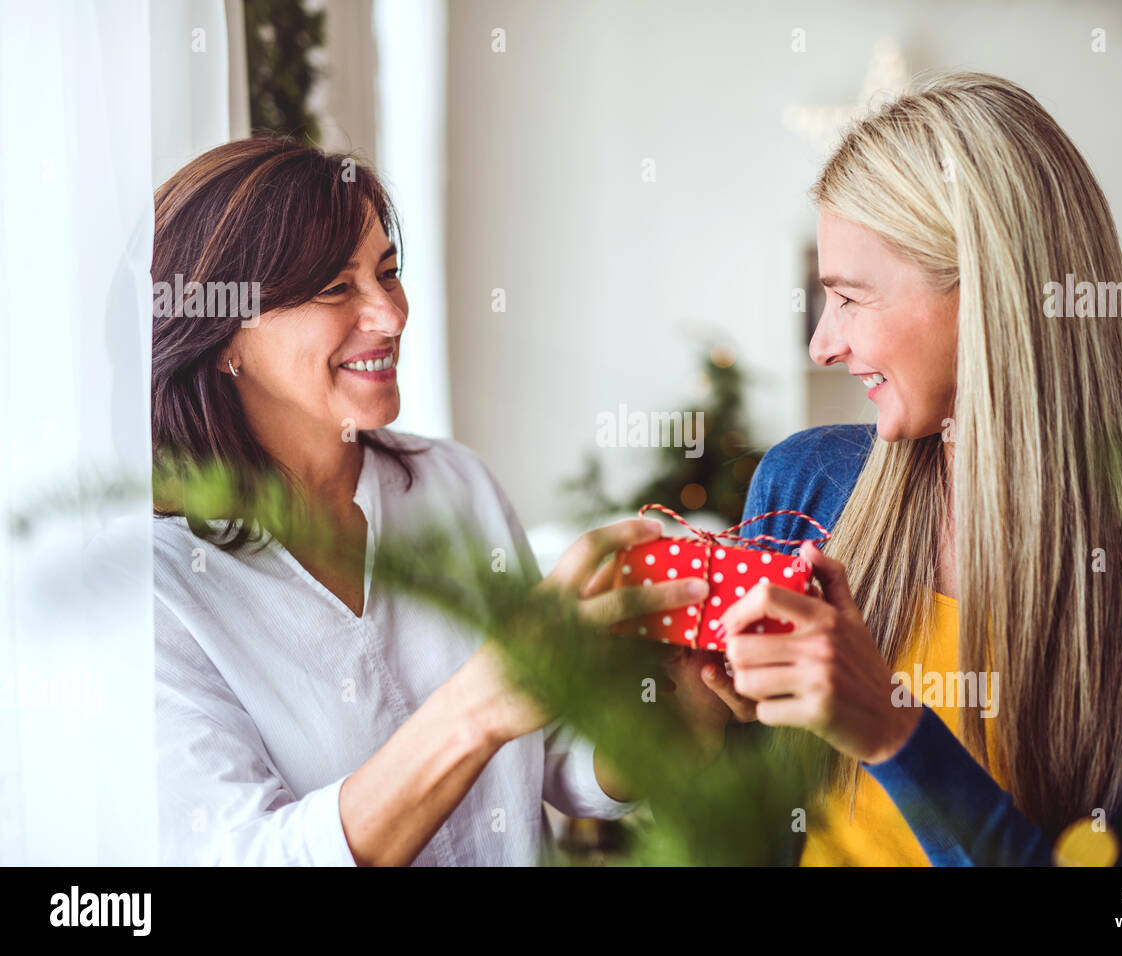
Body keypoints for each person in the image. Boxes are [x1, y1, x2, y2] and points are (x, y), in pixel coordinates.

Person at [722, 72, 1122, 866]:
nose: (824, 344)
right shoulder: (800, 490)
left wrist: (895, 733)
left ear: (990, 298)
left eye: (851, 299)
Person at [143, 137, 744, 866]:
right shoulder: (161, 592)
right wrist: (482, 704)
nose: (390, 317)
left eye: (388, 274)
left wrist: (687, 710)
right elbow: (249, 855)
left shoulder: (452, 484)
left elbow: (550, 758)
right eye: (337, 288)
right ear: (225, 337)